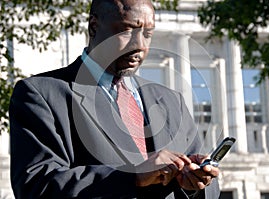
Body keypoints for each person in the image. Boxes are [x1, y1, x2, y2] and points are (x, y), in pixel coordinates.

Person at [9, 0, 220, 198]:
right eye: (127, 31)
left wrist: (196, 183)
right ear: (93, 27)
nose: (139, 45)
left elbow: (212, 190)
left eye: (147, 34)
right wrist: (133, 177)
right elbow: (36, 186)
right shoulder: (41, 94)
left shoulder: (172, 101)